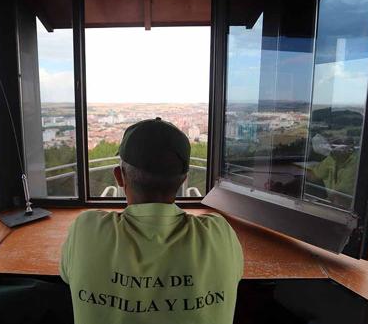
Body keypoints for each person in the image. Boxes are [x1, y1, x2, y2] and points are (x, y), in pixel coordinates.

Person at [60, 118, 244, 324]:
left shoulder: (86, 230)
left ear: (119, 177)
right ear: (183, 180)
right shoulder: (220, 235)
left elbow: (67, 277)